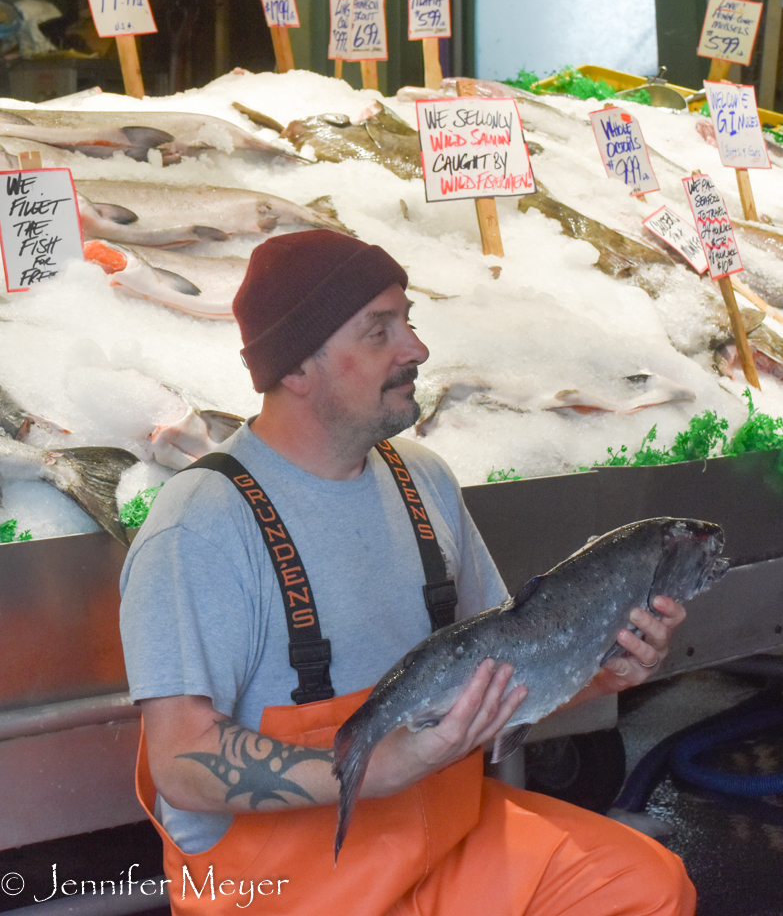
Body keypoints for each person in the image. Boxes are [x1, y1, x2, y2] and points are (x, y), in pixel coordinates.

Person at [120, 230, 696, 916]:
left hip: (445, 841)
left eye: (408, 320)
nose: (415, 348)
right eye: (378, 330)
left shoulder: (420, 477)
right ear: (298, 368)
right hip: (283, 891)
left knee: (645, 888)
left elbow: (500, 676)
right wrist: (382, 765)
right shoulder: (202, 526)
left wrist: (602, 669)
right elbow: (181, 763)